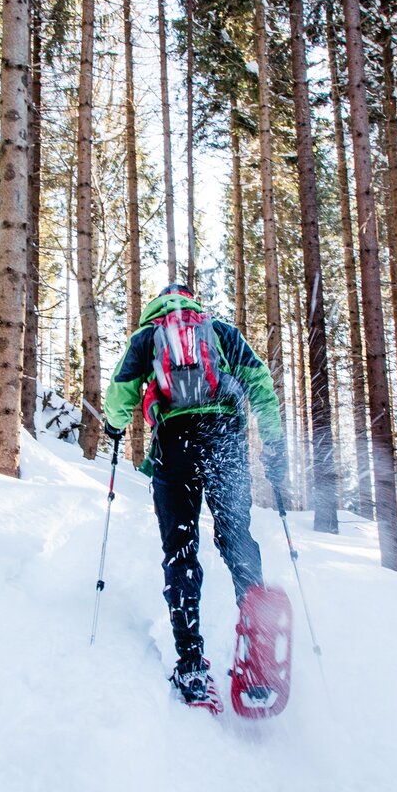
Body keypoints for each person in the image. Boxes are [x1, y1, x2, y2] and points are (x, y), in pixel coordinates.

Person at [102, 284, 287, 708]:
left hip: (174, 445)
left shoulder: (147, 337)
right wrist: (273, 442)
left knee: (180, 550)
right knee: (236, 536)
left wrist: (113, 426)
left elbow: (120, 393)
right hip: (223, 437)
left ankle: (190, 666)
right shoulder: (219, 332)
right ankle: (259, 654)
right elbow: (259, 381)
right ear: (192, 304)